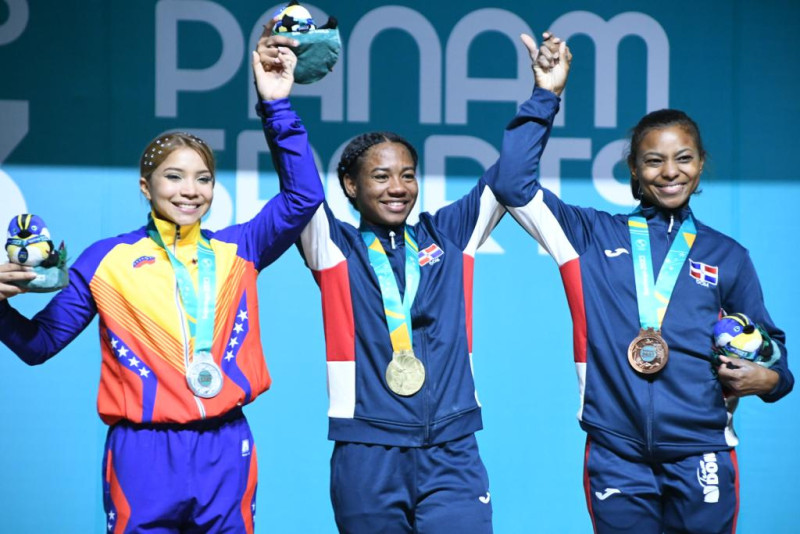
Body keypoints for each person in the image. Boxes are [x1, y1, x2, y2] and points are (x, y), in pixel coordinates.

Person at [0, 39, 323, 532]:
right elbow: (38, 345)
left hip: (225, 445)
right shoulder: (106, 261)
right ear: (145, 187)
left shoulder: (240, 250)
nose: (190, 190)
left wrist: (276, 105)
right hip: (142, 453)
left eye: (203, 179)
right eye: (173, 177)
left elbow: (304, 196)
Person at [256, 27, 566, 534]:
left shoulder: (449, 235)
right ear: (351, 187)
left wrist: (545, 97)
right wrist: (276, 106)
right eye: (380, 176)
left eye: (407, 173)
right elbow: (300, 192)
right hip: (367, 451)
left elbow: (510, 178)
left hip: (452, 449)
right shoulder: (334, 248)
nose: (398, 187)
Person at [491, 34, 794, 534]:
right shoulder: (590, 236)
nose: (669, 172)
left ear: (700, 167)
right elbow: (512, 184)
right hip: (616, 453)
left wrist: (773, 381)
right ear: (634, 170)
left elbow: (773, 351)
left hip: (702, 451)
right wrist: (546, 94)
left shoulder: (728, 256)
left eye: (684, 159)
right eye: (653, 160)